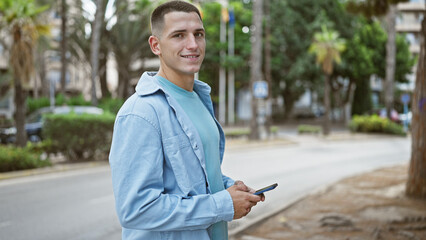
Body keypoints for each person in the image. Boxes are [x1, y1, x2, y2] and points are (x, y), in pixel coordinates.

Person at [109, 1, 264, 239]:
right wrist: (223, 204)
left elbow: (198, 175)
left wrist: (232, 189)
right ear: (156, 45)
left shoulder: (200, 99)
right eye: (179, 35)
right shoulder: (141, 112)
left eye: (198, 34)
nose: (192, 44)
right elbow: (137, 210)